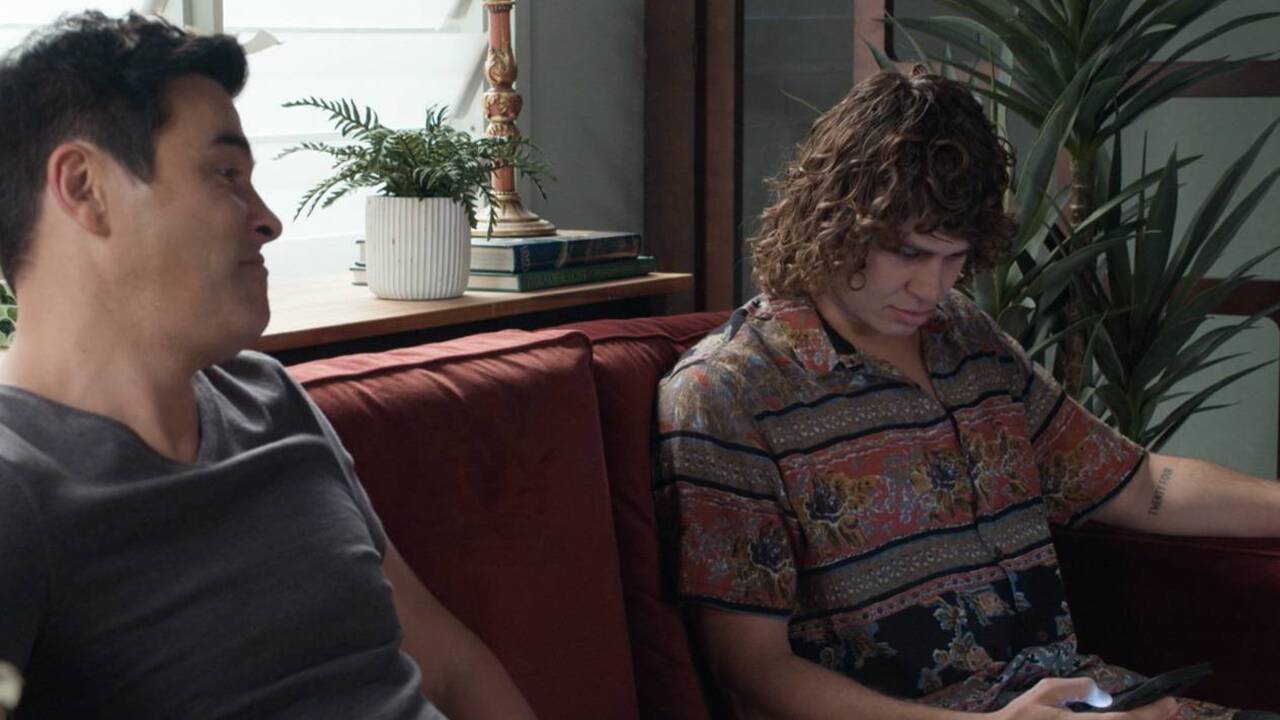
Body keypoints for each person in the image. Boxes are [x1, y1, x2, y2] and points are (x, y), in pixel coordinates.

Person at [654, 69, 1280, 720]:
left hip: (1088, 701)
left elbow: (1140, 484)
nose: (931, 288)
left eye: (953, 258)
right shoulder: (727, 394)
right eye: (908, 253)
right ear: (832, 221)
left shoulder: (965, 339)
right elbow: (750, 674)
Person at [0, 11, 535, 720]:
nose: (268, 220)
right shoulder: (16, 485)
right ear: (84, 187)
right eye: (226, 175)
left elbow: (451, 667)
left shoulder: (270, 398)